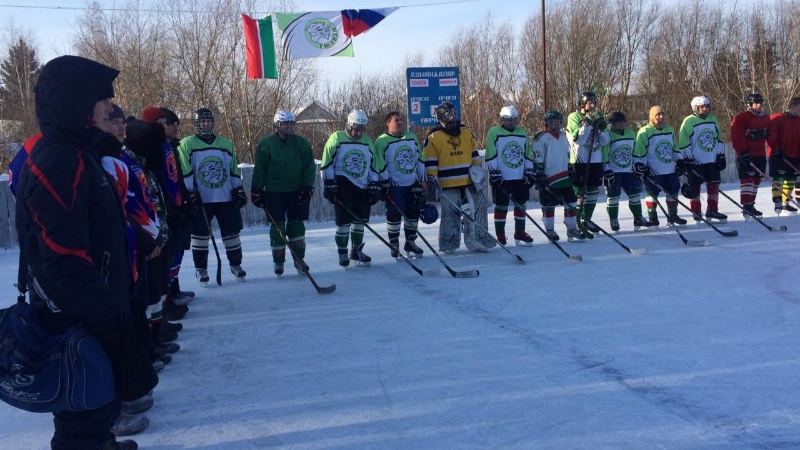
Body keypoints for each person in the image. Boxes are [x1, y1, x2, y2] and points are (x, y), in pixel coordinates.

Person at [15, 55, 156, 450]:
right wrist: (111, 323)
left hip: (96, 308)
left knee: (99, 402)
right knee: (81, 414)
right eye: (103, 100)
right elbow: (65, 258)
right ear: (78, 103)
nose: (110, 108)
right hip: (78, 316)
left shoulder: (79, 153)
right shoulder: (59, 161)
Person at [177, 107, 247, 285]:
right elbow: (186, 170)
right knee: (200, 234)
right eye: (202, 121)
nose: (206, 124)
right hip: (202, 199)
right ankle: (201, 269)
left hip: (225, 196)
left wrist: (238, 189)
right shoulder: (187, 144)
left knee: (232, 232)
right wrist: (190, 193)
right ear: (196, 123)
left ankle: (236, 264)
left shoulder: (225, 143)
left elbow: (233, 169)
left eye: (208, 120)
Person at [423, 101, 495, 253]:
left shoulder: (465, 131)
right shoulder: (434, 136)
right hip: (447, 184)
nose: (452, 117)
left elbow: (474, 153)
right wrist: (432, 181)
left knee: (476, 210)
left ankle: (476, 240)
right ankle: (448, 243)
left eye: (453, 113)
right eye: (448, 114)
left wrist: (476, 171)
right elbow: (430, 162)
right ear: (441, 116)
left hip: (468, 181)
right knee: (450, 214)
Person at [251, 110, 315, 275]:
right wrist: (257, 190)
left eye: (291, 123)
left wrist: (308, 187)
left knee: (296, 226)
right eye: (284, 123)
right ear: (277, 125)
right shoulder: (266, 144)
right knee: (277, 227)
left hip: (297, 190)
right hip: (275, 191)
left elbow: (309, 167)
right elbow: (260, 169)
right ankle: (278, 261)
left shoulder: (302, 143)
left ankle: (299, 260)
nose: (288, 127)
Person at [320, 109, 386, 267]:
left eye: (362, 129)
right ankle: (342, 253)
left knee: (360, 220)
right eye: (356, 129)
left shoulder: (367, 141)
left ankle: (356, 251)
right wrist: (329, 183)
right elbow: (327, 162)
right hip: (343, 184)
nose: (359, 133)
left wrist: (374, 184)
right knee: (344, 222)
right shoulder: (337, 138)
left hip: (362, 186)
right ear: (349, 125)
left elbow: (373, 165)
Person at [374, 111, 427, 257]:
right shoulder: (381, 141)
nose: (400, 122)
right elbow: (380, 164)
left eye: (401, 120)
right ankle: (394, 243)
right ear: (388, 123)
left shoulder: (411, 137)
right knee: (394, 214)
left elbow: (419, 159)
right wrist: (384, 183)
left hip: (411, 183)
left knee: (413, 213)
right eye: (396, 120)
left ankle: (410, 242)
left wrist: (422, 179)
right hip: (395, 185)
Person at [160, 107, 194, 318]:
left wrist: (187, 198)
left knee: (178, 251)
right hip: (167, 209)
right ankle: (167, 298)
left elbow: (178, 177)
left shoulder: (173, 146)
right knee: (170, 254)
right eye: (169, 123)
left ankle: (174, 289)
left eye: (176, 123)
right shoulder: (158, 149)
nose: (175, 126)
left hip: (179, 205)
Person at [531, 110, 586, 242]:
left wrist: (570, 168)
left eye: (558, 121)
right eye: (553, 121)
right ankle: (550, 230)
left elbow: (567, 154)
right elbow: (537, 156)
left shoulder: (563, 136)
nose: (556, 123)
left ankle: (571, 229)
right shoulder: (541, 137)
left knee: (571, 202)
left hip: (564, 176)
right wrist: (539, 173)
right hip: (549, 177)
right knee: (549, 205)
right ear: (547, 122)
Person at [485, 105, 535, 246]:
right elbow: (491, 152)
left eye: (514, 119)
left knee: (521, 204)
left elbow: (527, 153)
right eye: (509, 120)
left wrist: (529, 170)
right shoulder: (494, 132)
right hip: (502, 176)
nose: (512, 122)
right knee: (501, 205)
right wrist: (493, 171)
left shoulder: (522, 132)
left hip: (519, 175)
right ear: (502, 119)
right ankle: (500, 234)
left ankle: (520, 232)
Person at [566, 91, 610, 236]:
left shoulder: (597, 117)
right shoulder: (574, 117)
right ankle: (575, 222)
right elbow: (578, 139)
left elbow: (605, 141)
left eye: (594, 103)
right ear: (582, 104)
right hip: (580, 160)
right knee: (580, 194)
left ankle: (587, 219)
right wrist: (587, 123)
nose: (593, 105)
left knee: (593, 192)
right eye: (590, 103)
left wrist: (601, 128)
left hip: (595, 160)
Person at [678, 96, 727, 222]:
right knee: (694, 187)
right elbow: (684, 142)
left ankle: (712, 210)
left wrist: (721, 155)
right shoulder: (689, 121)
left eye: (706, 106)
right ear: (695, 108)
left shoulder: (713, 118)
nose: (705, 109)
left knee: (714, 185)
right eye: (702, 107)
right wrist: (687, 159)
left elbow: (719, 138)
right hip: (696, 161)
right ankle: (696, 211)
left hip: (711, 159)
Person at [637, 106, 687, 227]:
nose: (661, 117)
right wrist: (641, 166)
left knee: (673, 191)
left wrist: (680, 160)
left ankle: (672, 216)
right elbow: (639, 152)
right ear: (652, 116)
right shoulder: (645, 132)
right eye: (658, 115)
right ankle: (653, 218)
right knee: (652, 194)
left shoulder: (669, 129)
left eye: (662, 114)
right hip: (653, 170)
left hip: (669, 169)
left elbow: (674, 148)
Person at [602, 111, 648, 231]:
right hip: (613, 171)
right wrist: (605, 169)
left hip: (628, 170)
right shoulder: (608, 135)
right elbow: (604, 153)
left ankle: (638, 217)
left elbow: (635, 150)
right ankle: (613, 219)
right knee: (613, 196)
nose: (620, 124)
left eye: (622, 122)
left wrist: (638, 163)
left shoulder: (630, 133)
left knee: (635, 195)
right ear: (611, 124)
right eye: (617, 122)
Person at [730, 94, 769, 218]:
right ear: (750, 104)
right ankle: (746, 206)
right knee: (747, 179)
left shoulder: (765, 118)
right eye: (756, 103)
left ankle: (751, 204)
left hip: (760, 154)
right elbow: (736, 136)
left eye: (760, 103)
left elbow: (771, 134)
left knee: (757, 179)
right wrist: (742, 151)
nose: (758, 105)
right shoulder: (742, 118)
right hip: (746, 154)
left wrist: (768, 136)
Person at [767, 97, 800, 215]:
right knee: (778, 178)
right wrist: (775, 149)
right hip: (778, 155)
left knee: (791, 178)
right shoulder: (778, 118)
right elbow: (771, 135)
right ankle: (778, 201)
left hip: (794, 154)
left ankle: (786, 201)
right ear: (793, 106)